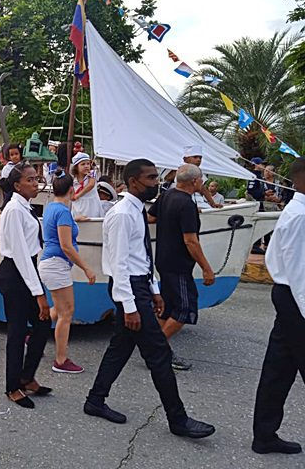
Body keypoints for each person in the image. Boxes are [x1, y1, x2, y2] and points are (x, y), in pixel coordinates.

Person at [83, 158, 215, 439]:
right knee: (158, 353)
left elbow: (141, 256)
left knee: (120, 348)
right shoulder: (122, 214)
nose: (157, 183)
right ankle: (178, 419)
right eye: (151, 178)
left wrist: (154, 289)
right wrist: (130, 306)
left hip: (139, 285)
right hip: (129, 289)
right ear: (134, 181)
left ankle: (95, 399)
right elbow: (119, 264)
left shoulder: (137, 210)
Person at [252, 157, 305, 455]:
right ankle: (264, 434)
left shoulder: (295, 211)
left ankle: (264, 435)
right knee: (279, 369)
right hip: (296, 299)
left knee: (278, 369)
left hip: (289, 296)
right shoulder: (300, 216)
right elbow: (300, 273)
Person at [148, 164, 215, 371]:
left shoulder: (166, 196)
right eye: (201, 179)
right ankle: (156, 350)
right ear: (194, 181)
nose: (202, 182)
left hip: (163, 259)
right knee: (185, 308)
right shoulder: (186, 204)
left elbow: (151, 217)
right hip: (178, 264)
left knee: (167, 307)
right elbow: (190, 240)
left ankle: (161, 351)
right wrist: (206, 267)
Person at [0, 161, 52, 409]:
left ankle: (27, 376)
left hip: (27, 269)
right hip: (15, 273)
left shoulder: (25, 206)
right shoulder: (13, 209)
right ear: (17, 185)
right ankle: (12, 386)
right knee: (18, 331)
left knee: (42, 323)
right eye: (29, 180)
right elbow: (19, 253)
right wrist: (38, 293)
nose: (35, 183)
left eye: (36, 179)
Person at [38, 168, 96, 374]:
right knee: (67, 312)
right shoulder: (63, 212)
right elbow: (66, 246)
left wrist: (74, 220)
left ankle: (35, 336)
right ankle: (61, 360)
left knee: (58, 307)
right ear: (72, 190)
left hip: (51, 263)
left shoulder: (52, 207)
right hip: (57, 264)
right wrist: (86, 268)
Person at [70, 152, 102, 220]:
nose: (86, 166)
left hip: (92, 206)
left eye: (88, 164)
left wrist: (78, 195)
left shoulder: (92, 173)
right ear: (76, 167)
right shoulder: (73, 179)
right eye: (83, 164)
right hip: (78, 205)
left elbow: (91, 185)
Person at [247, 157, 267, 255]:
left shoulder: (260, 176)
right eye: (261, 164)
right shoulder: (253, 176)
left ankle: (258, 244)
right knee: (257, 223)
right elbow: (251, 191)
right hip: (256, 202)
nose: (263, 166)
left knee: (261, 223)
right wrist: (263, 193)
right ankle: (255, 245)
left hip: (261, 202)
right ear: (256, 165)